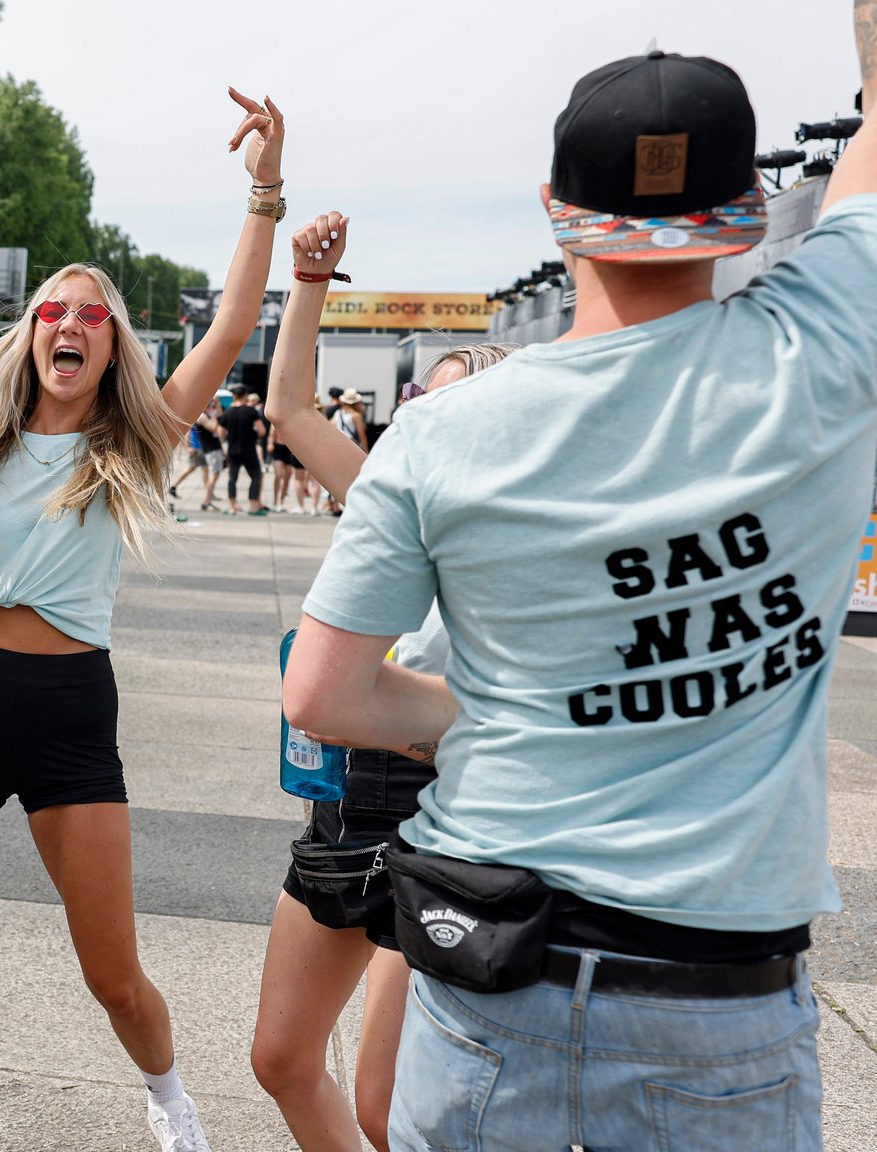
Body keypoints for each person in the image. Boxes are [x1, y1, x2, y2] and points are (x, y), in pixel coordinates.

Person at [285, 32, 876, 1151]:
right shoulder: (829, 346)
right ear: (746, 209)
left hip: (491, 965)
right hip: (716, 1000)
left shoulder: (443, 434)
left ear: (556, 214)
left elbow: (321, 692)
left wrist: (512, 710)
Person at [0, 88, 289, 1152]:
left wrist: (262, 192)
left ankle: (170, 1103)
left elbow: (238, 323)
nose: (69, 324)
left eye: (90, 314)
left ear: (110, 345)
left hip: (71, 708)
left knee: (110, 973)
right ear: (30, 336)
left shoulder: (139, 439)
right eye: (53, 313)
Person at [252, 213, 519, 1152]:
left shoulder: (517, 548)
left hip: (432, 819)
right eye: (415, 406)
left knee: (387, 1105)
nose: (415, 423)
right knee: (281, 1059)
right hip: (340, 800)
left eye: (439, 409)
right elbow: (286, 411)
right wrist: (308, 282)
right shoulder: (385, 496)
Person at [217, 385, 268, 515]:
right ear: (245, 396)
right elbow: (262, 431)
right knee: (256, 476)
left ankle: (233, 506)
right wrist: (253, 435)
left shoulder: (227, 413)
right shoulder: (251, 412)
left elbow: (221, 434)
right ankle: (253, 506)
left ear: (234, 396)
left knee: (232, 478)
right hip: (249, 449)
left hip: (233, 449)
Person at [168, 401, 225, 511]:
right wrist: (189, 446)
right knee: (193, 468)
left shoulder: (201, 415)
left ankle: (208, 492)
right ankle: (174, 486)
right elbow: (188, 432)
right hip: (197, 447)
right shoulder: (200, 416)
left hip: (200, 447)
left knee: (201, 469)